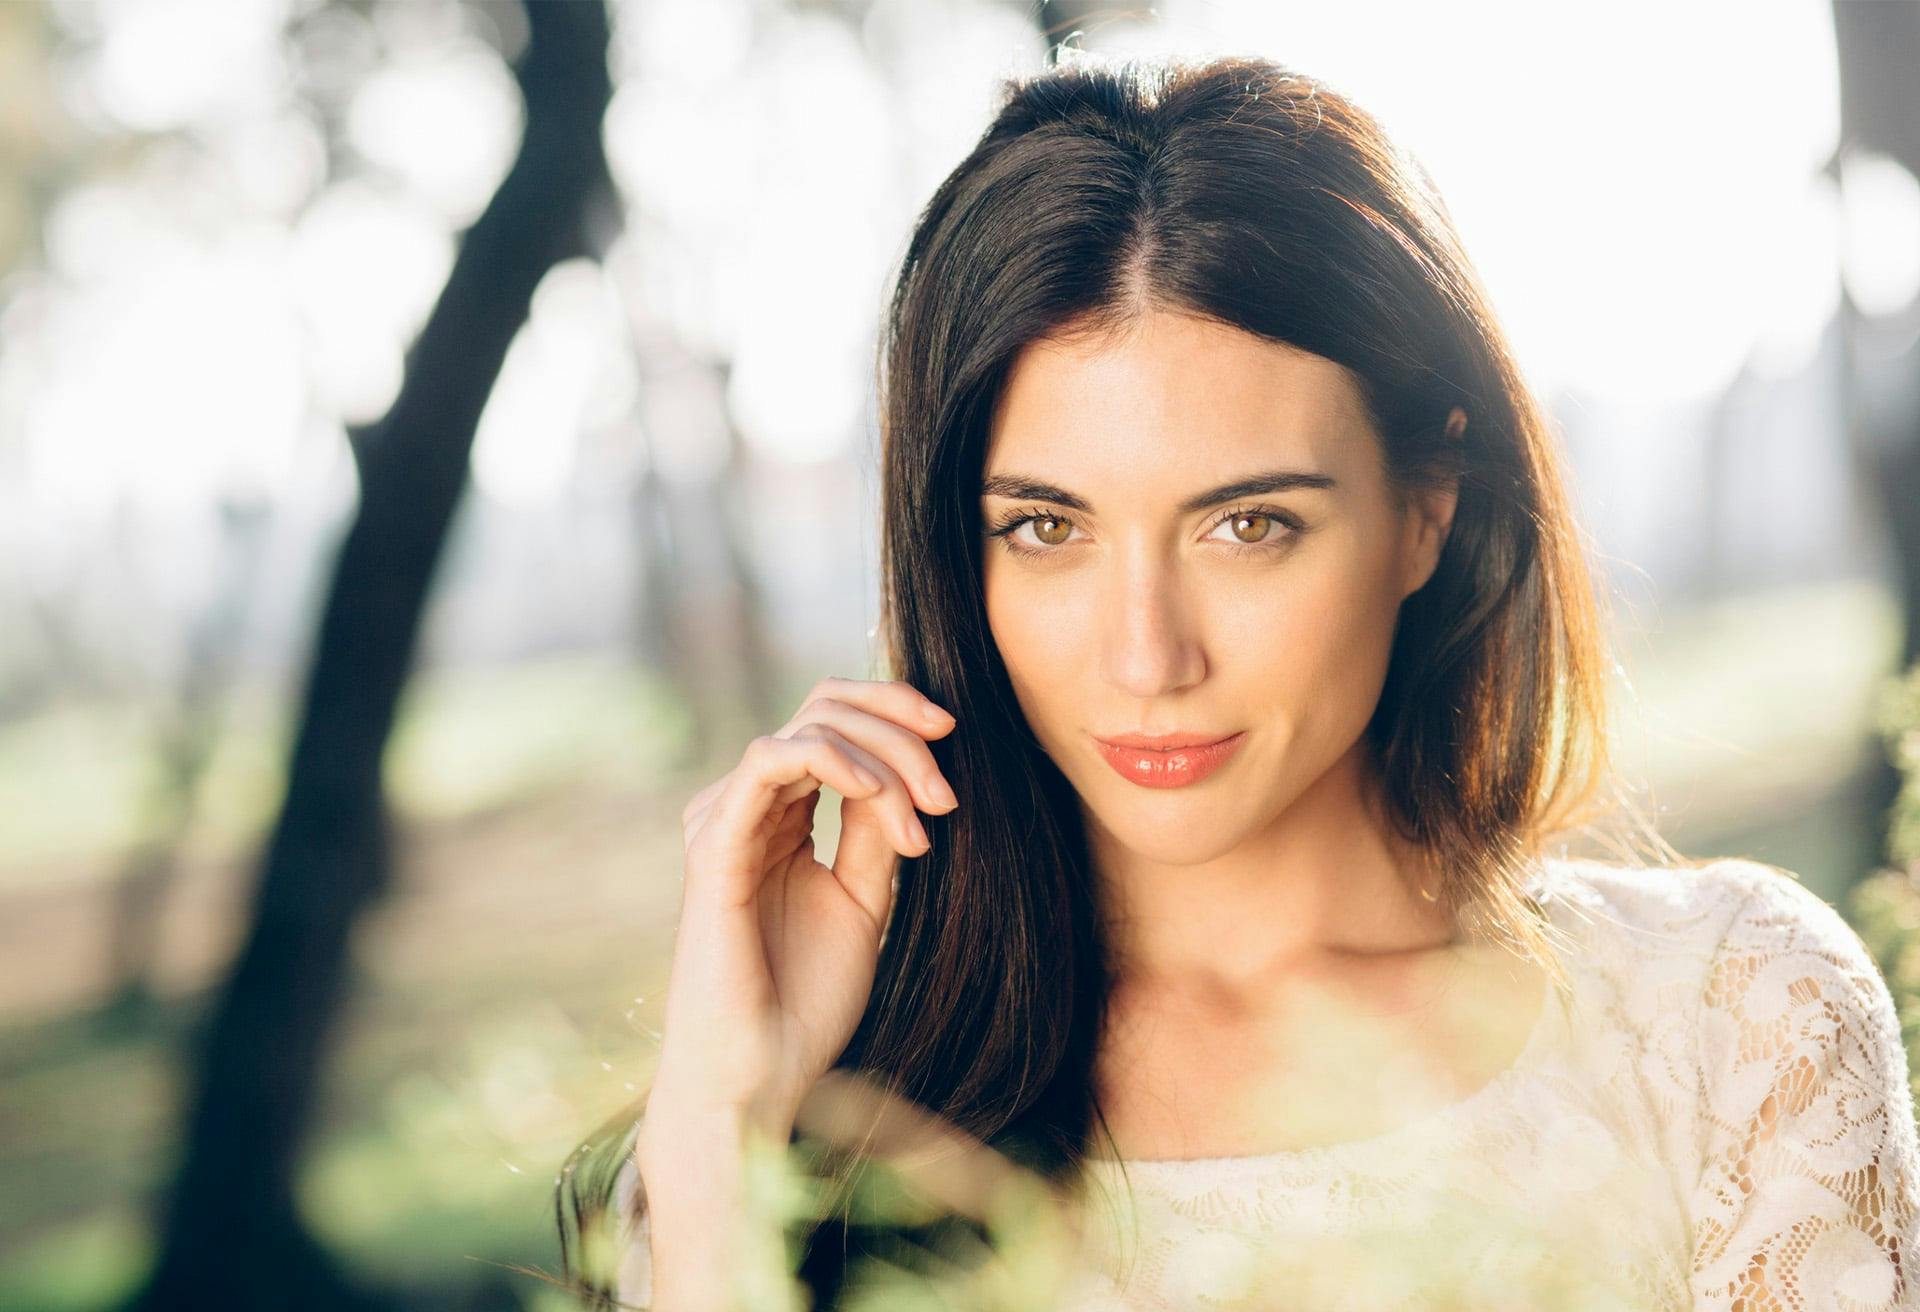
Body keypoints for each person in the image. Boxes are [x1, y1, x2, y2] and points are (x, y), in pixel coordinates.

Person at [553, 52, 1920, 1310]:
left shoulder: (1732, 1017)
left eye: (1248, 525)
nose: (1148, 656)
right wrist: (732, 1117)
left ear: (1425, 506)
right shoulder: (807, 1120)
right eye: (1046, 528)